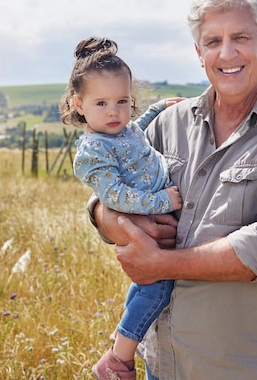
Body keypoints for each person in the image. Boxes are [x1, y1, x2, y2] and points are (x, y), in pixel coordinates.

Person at [88, 0, 257, 380]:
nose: (227, 53)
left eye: (240, 37)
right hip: (164, 364)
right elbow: (104, 196)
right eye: (213, 41)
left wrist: (159, 262)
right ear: (198, 53)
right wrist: (115, 220)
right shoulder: (170, 122)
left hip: (246, 368)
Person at [59, 37, 184, 380]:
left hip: (154, 219)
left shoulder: (121, 131)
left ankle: (120, 336)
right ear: (79, 104)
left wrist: (158, 109)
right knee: (157, 288)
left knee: (145, 284)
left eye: (122, 101)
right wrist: (162, 202)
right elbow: (113, 195)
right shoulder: (93, 150)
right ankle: (118, 360)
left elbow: (137, 136)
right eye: (101, 103)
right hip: (145, 222)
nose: (114, 112)